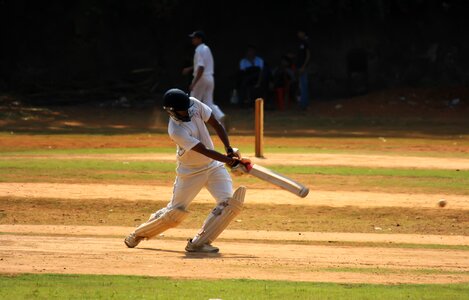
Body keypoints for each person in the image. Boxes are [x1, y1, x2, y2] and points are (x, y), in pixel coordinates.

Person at [124, 88, 247, 253]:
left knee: (230, 204)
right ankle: (138, 234)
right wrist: (231, 161)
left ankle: (199, 243)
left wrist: (229, 148)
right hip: (190, 172)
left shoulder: (193, 104)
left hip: (213, 166)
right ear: (172, 112)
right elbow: (203, 150)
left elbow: (216, 124)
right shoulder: (176, 130)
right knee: (174, 214)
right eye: (182, 109)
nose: (187, 111)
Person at [182, 31, 225, 123]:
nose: (192, 40)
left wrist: (194, 83)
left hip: (201, 78)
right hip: (210, 78)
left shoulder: (199, 50)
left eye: (194, 38)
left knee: (192, 101)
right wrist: (190, 68)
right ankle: (221, 116)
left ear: (199, 39)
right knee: (208, 102)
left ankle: (191, 124)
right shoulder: (206, 48)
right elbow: (201, 64)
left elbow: (201, 67)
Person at [296, 30, 311, 109]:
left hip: (303, 67)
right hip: (299, 67)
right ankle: (303, 103)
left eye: (300, 32)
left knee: (303, 85)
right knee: (301, 85)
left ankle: (304, 104)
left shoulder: (306, 42)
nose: (298, 34)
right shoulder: (300, 43)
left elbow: (308, 55)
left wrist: (303, 66)